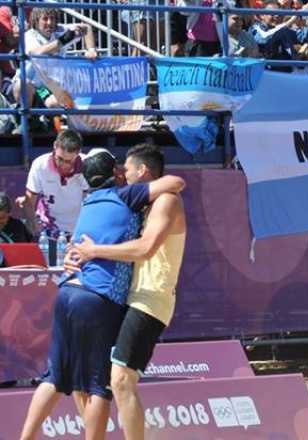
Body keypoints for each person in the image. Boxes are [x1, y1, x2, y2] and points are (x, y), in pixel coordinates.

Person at [19, 149, 186, 440]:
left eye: (128, 170)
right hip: (116, 297)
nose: (123, 175)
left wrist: (92, 252)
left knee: (117, 381)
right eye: (119, 171)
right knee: (88, 384)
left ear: (143, 172)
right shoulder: (130, 203)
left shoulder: (165, 201)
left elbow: (145, 248)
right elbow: (86, 239)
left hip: (147, 299)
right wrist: (75, 256)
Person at [13, 9, 97, 109]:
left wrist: (91, 50)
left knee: (62, 102)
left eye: (52, 19)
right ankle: (26, 122)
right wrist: (63, 40)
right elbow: (37, 52)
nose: (49, 23)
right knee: (22, 85)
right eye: (45, 19)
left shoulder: (61, 30)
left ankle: (48, 121)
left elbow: (86, 27)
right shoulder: (28, 36)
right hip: (31, 84)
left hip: (50, 87)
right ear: (36, 21)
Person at [15, 129, 89, 239]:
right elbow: (30, 202)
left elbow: (90, 202)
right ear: (55, 145)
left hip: (79, 229)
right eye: (60, 159)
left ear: (78, 153)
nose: (63, 165)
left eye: (69, 161)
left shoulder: (87, 164)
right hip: (48, 228)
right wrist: (35, 228)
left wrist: (83, 229)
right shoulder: (40, 165)